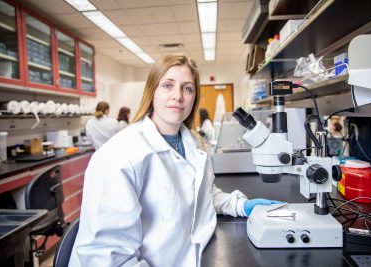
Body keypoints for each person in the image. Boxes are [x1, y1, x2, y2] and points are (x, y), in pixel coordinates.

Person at [69, 54, 282, 267]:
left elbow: (201, 193)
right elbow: (105, 258)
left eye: (187, 88)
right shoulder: (118, 156)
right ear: (152, 91)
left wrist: (241, 205)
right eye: (168, 85)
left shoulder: (192, 143)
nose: (178, 96)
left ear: (194, 98)